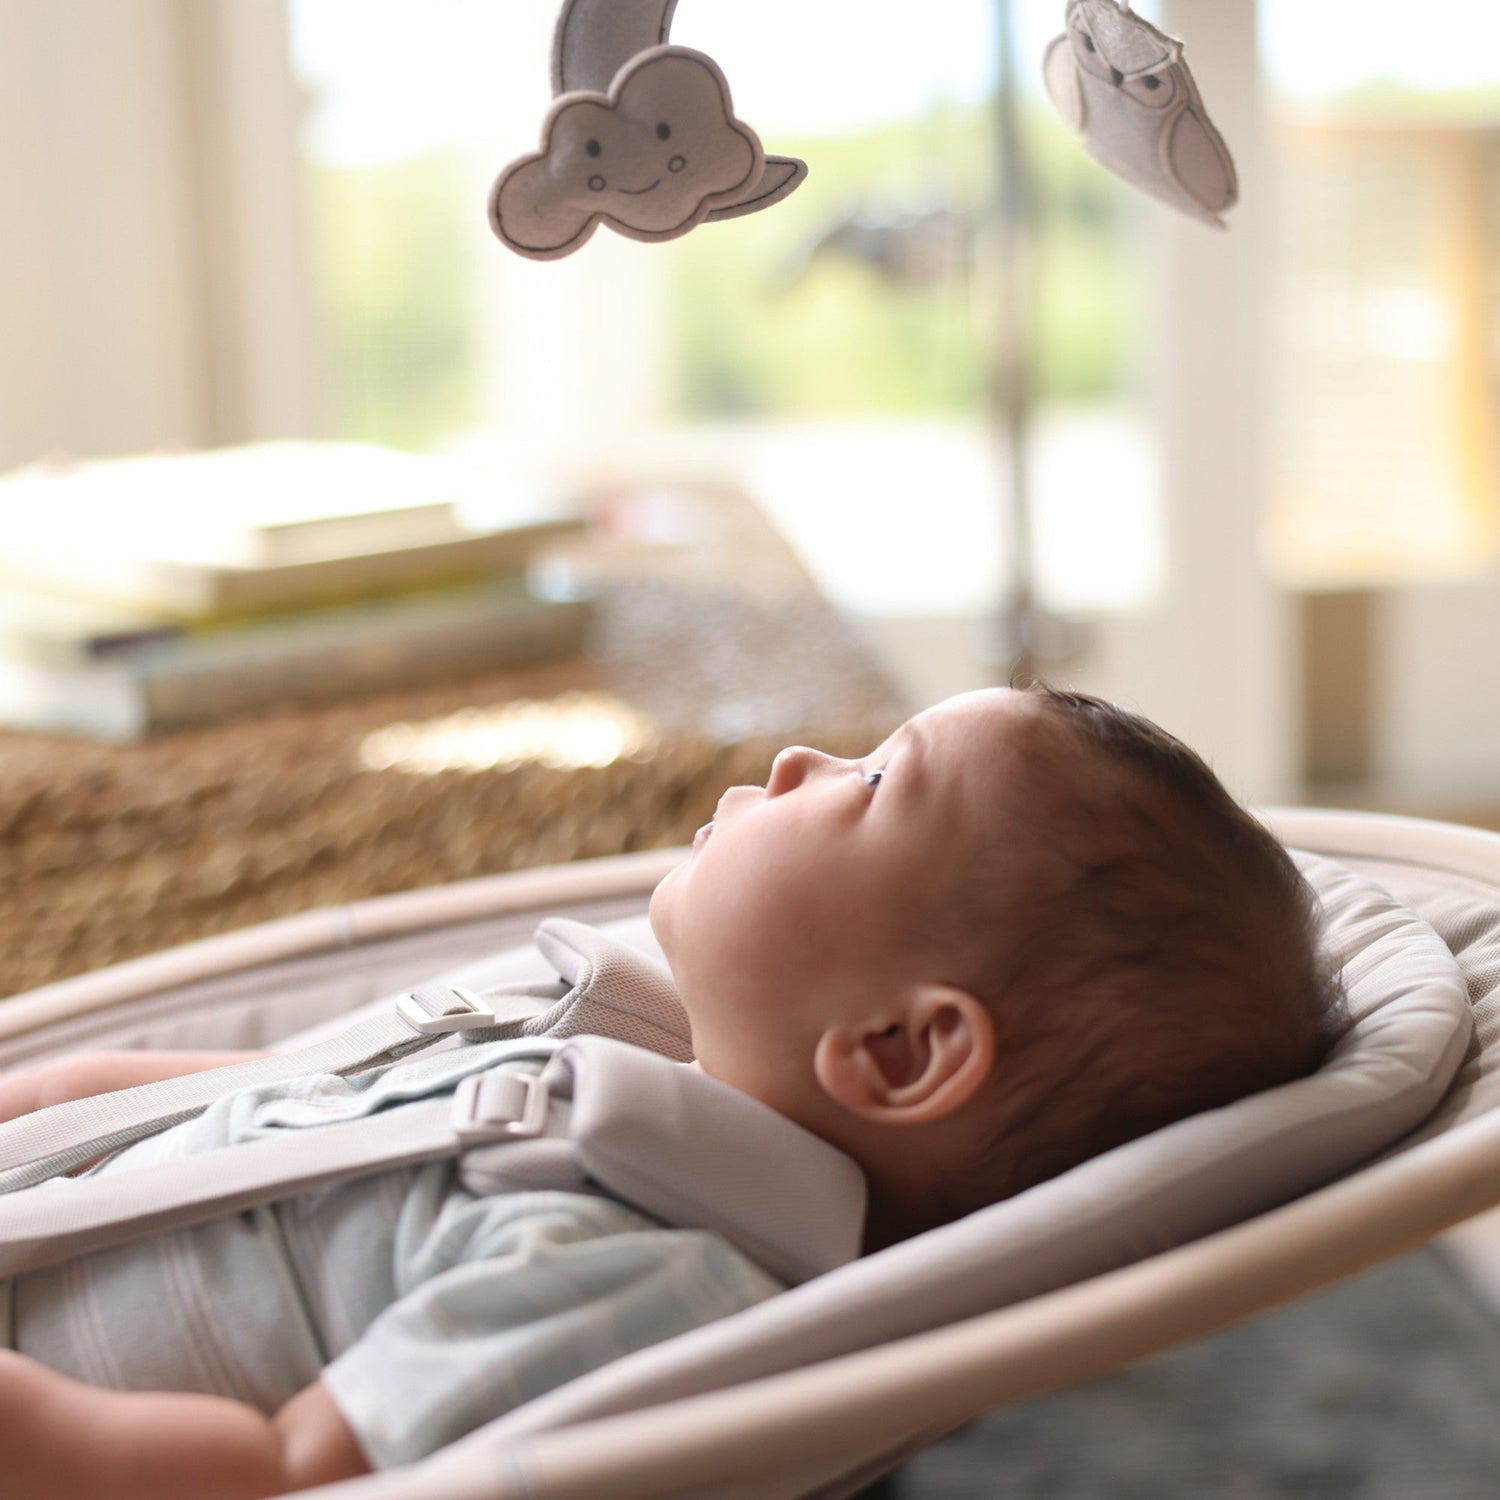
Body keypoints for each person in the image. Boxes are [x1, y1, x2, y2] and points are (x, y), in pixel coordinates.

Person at [0, 683, 1342, 1498]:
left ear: (898, 1050)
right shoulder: (609, 1094)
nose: (803, 761)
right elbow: (281, 1098)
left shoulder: (645, 1288)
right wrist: (54, 1093)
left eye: (878, 780)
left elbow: (280, 1476)